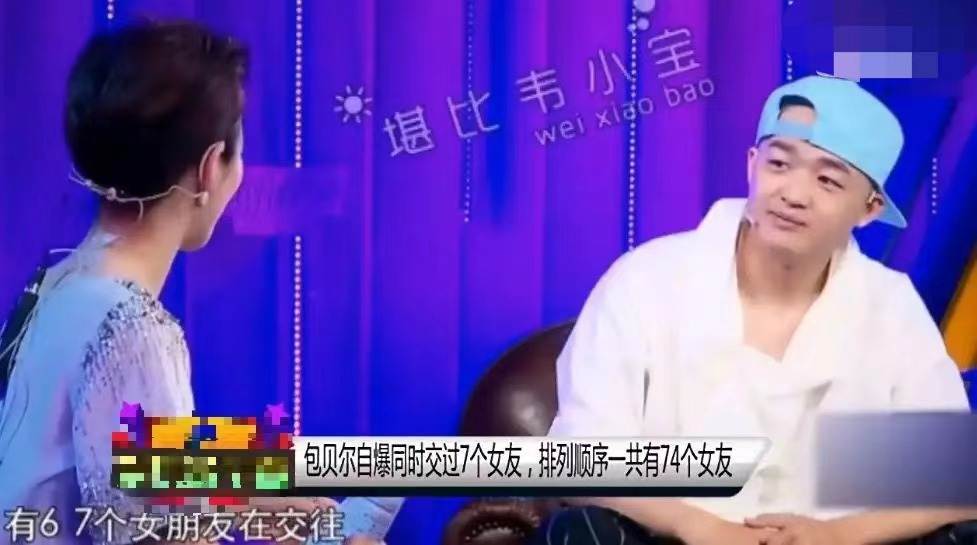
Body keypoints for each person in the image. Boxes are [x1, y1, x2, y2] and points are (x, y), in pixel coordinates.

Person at [0, 20, 397, 545]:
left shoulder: (55, 286)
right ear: (210, 168)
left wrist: (237, 494)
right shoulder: (133, 326)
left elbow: (118, 463)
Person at [533, 75, 976, 545]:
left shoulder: (890, 305)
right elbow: (579, 460)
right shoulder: (646, 279)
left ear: (869, 208)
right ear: (752, 165)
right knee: (583, 532)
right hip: (671, 537)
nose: (793, 194)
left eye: (828, 180)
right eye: (779, 163)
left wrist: (838, 534)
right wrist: (698, 526)